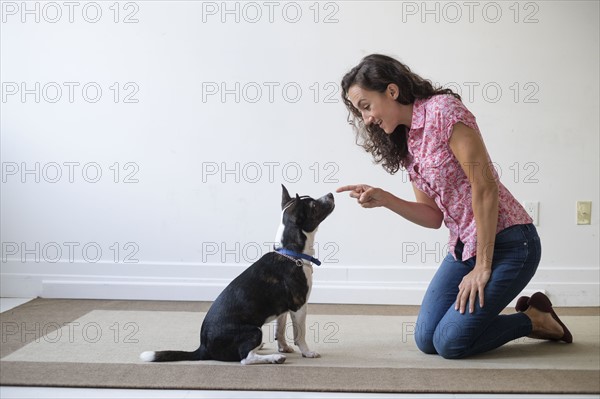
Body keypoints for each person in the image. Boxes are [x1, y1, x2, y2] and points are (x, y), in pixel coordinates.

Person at [337, 54, 572, 359]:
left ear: (392, 91)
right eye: (361, 112)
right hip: (464, 247)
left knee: (450, 343)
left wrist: (483, 266)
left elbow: (485, 186)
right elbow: (433, 217)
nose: (367, 119)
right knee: (426, 339)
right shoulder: (408, 143)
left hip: (511, 244)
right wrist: (385, 199)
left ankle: (534, 320)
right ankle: (517, 318)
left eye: (366, 106)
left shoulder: (443, 111)